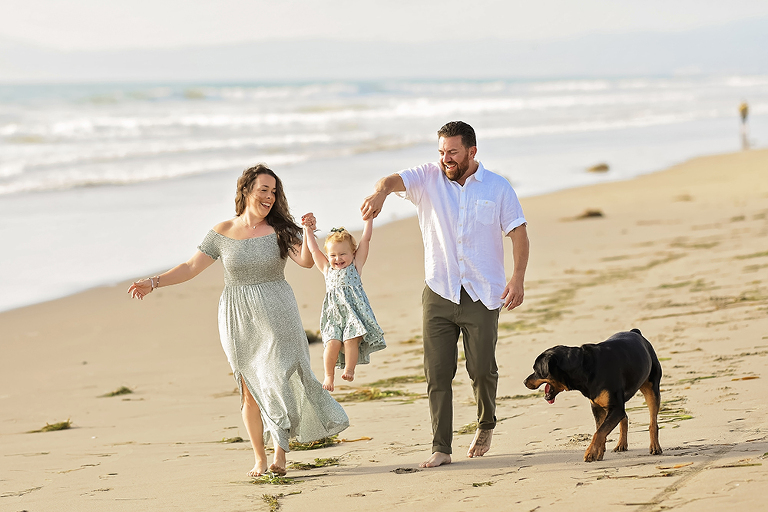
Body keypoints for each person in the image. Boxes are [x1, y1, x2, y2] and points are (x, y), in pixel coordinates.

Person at [128, 164, 349, 478]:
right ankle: (259, 458)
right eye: (263, 190)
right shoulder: (222, 231)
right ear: (246, 191)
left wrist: (310, 233)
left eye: (274, 192)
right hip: (237, 316)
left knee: (276, 379)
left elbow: (303, 260)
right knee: (249, 389)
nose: (269, 197)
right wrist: (153, 282)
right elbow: (190, 267)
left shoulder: (282, 228)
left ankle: (279, 453)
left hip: (277, 311)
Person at [360, 121, 529, 468]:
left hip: (483, 292)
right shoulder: (428, 178)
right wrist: (380, 193)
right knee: (437, 373)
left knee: (482, 369)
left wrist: (518, 278)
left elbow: (518, 233)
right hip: (439, 290)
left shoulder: (498, 188)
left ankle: (485, 423)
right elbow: (392, 180)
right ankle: (441, 447)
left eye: (452, 152)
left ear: (472, 151)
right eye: (441, 152)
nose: (445, 159)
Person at [300, 213, 386, 392]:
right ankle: (329, 375)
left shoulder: (356, 265)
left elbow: (366, 239)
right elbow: (314, 250)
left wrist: (368, 220)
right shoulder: (327, 269)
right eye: (333, 255)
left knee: (350, 340)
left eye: (342, 254)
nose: (337, 259)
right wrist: (308, 230)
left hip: (354, 313)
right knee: (332, 343)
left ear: (353, 253)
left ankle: (349, 369)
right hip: (333, 315)